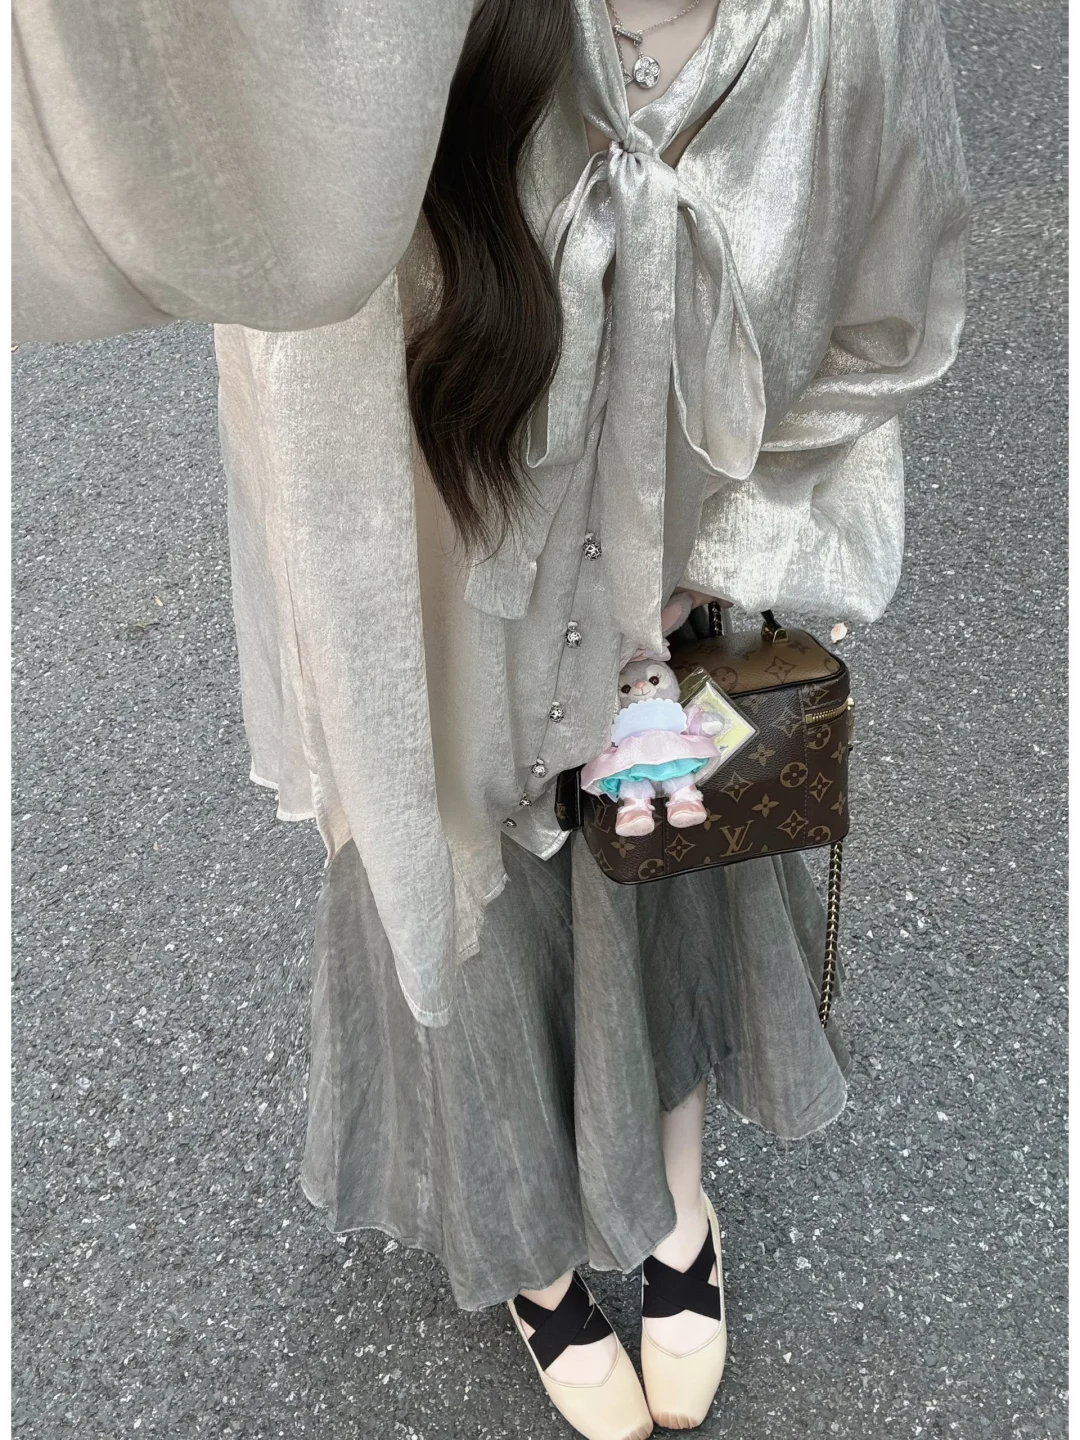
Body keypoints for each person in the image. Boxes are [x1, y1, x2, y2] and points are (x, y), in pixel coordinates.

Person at [13, 0, 970, 1434]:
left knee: (663, 878)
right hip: (425, 599)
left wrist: (723, 562)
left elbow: (891, 312)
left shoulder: (844, 26)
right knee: (468, 917)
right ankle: (536, 1259)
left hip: (682, 599)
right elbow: (150, 165)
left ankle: (675, 1206)